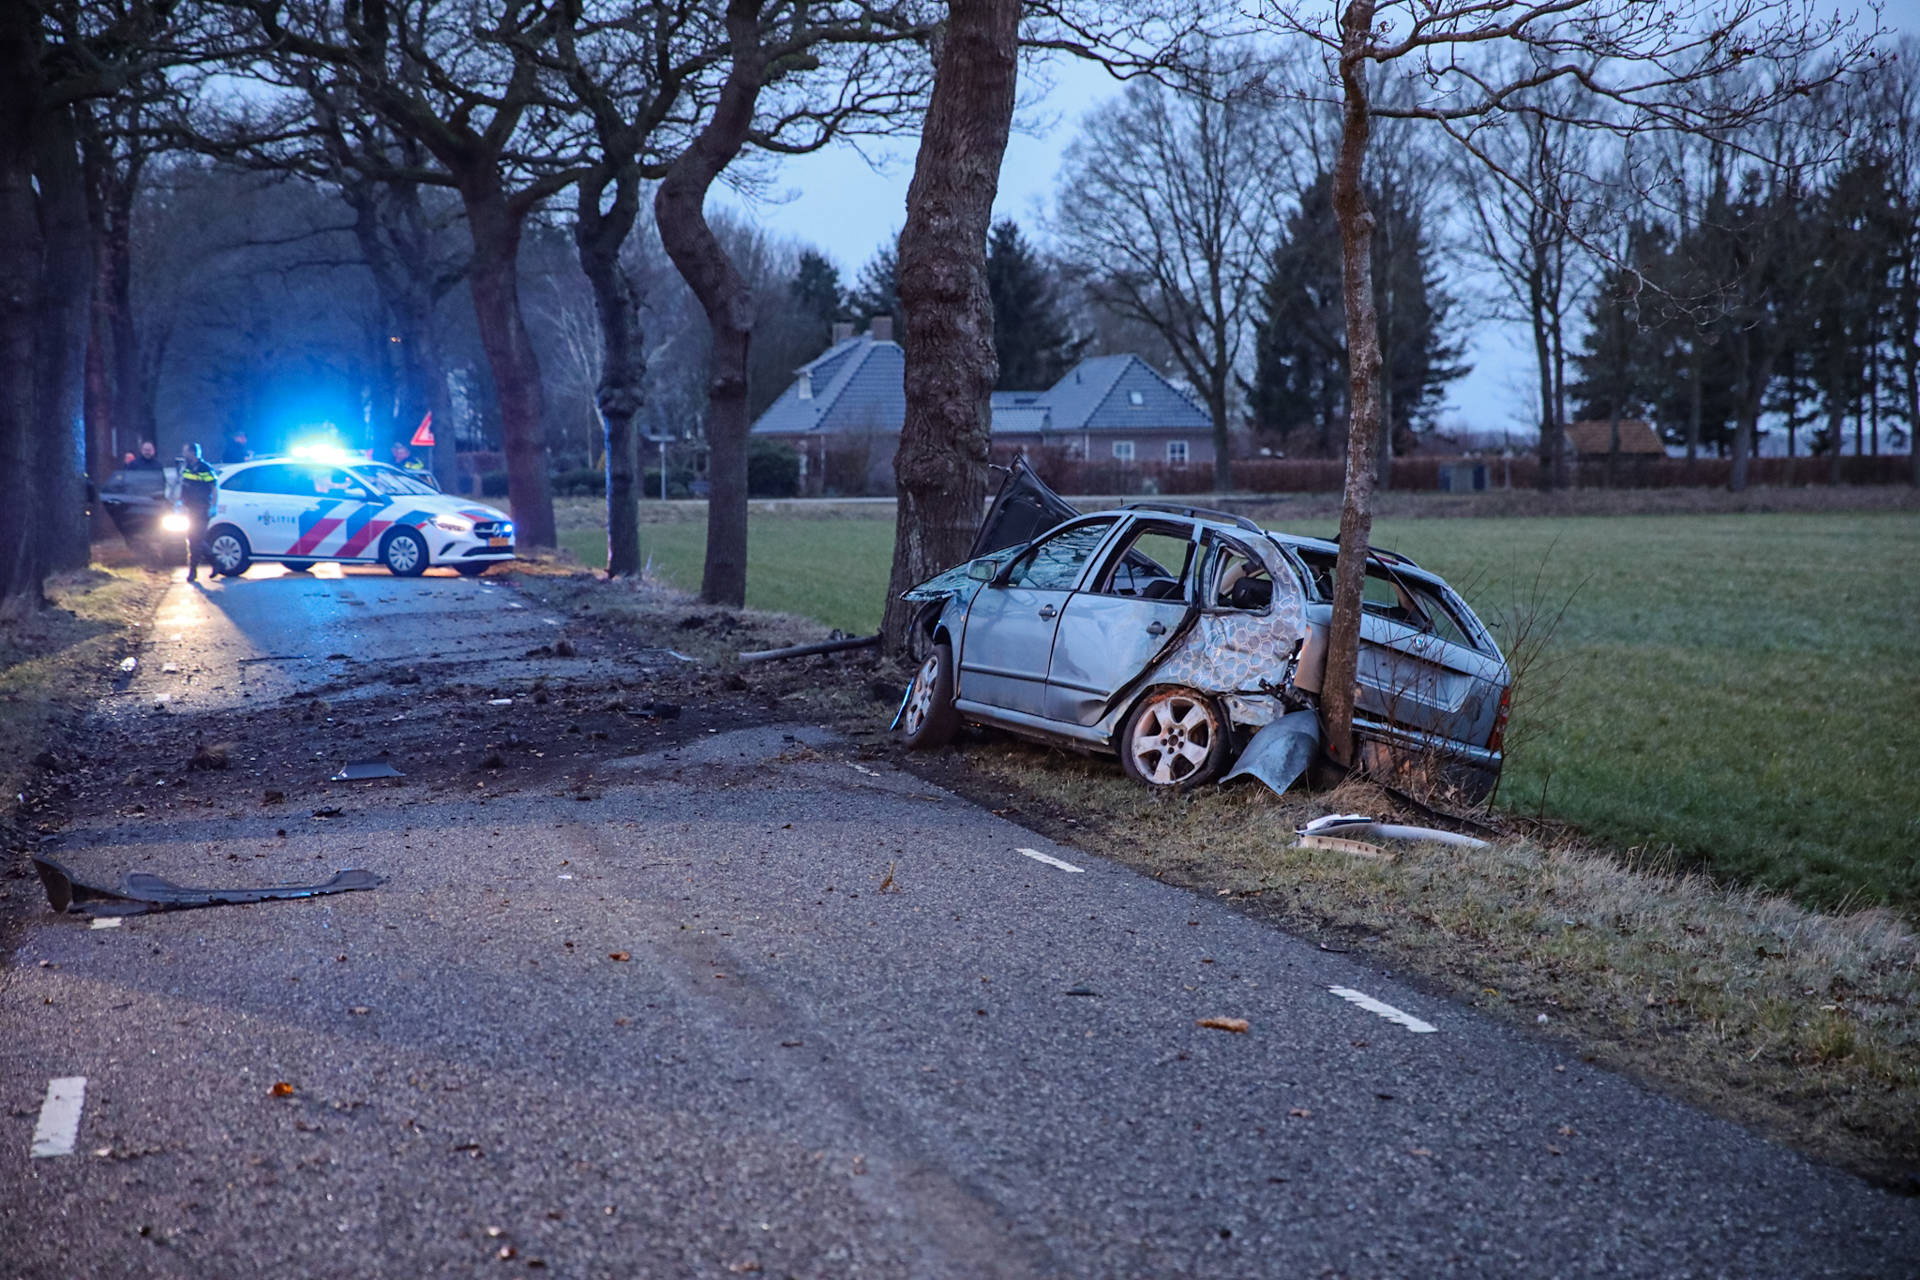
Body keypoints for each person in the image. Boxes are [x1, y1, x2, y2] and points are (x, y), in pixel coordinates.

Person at [177, 443, 217, 582]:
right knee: (193, 538)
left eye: (185, 452)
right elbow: (185, 486)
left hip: (202, 507)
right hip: (191, 508)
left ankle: (192, 571)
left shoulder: (205, 468)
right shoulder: (187, 468)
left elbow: (214, 487)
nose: (183, 454)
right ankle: (216, 562)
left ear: (192, 453)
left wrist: (213, 506)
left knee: (195, 539)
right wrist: (180, 501)